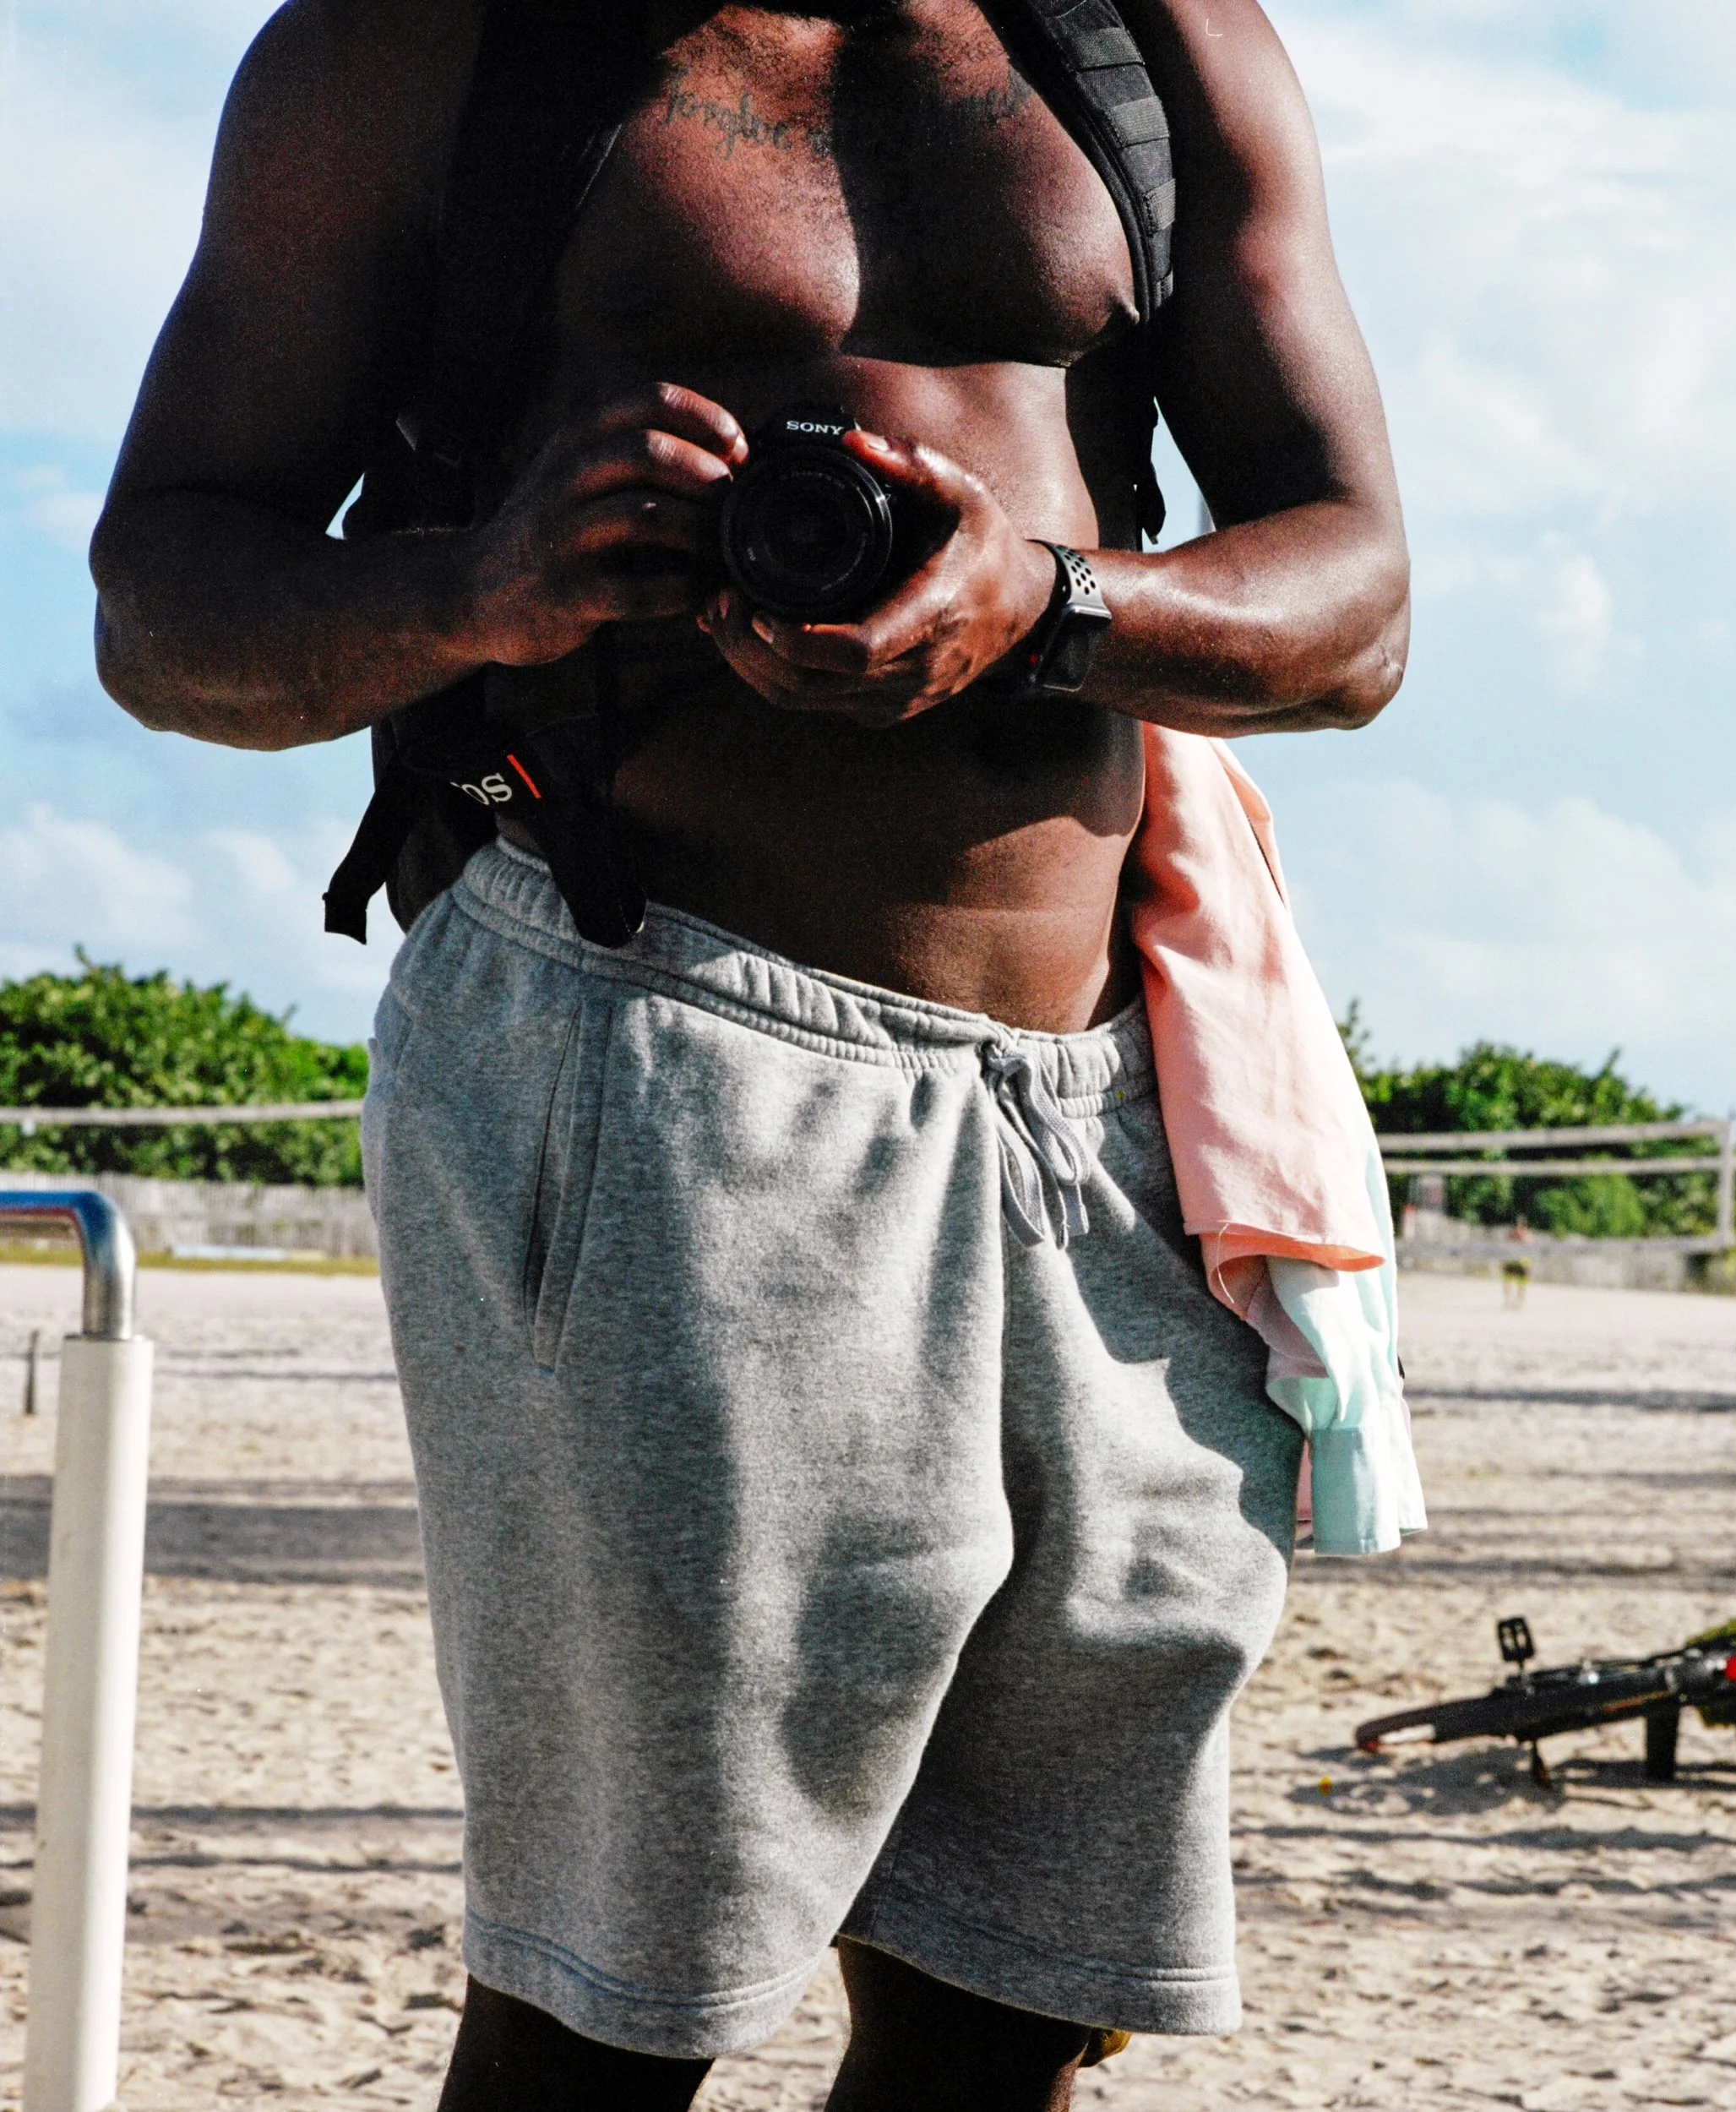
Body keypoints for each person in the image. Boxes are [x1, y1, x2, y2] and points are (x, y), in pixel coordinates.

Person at [90, 0, 1407, 2103]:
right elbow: (158, 601)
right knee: (620, 1993)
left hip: (1105, 1106)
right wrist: (476, 585)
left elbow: (1356, 606)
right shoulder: (405, 54)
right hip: (648, 1052)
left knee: (1017, 1999)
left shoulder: (1152, 41)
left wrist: (1042, 604)